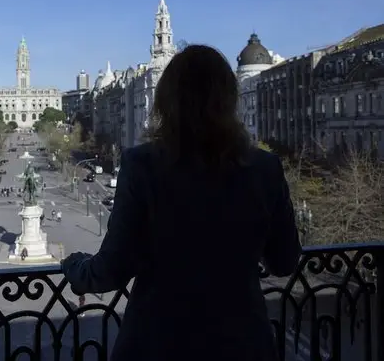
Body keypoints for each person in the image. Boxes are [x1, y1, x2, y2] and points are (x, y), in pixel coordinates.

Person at [61, 44, 301, 361]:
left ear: (165, 101)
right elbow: (285, 261)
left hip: (159, 342)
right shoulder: (264, 168)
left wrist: (73, 265)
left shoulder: (142, 165)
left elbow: (111, 269)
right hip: (241, 343)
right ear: (230, 99)